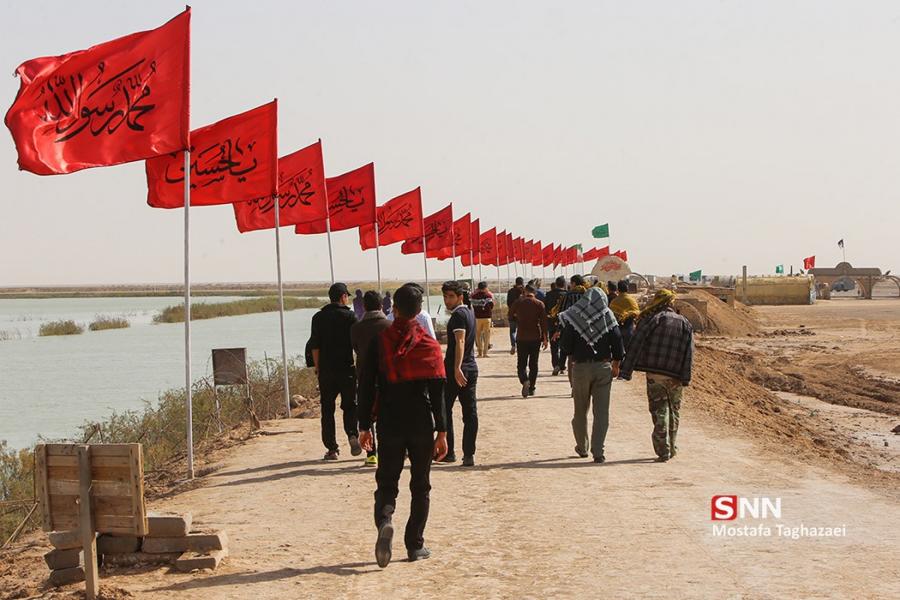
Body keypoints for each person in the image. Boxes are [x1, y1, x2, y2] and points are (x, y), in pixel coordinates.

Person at [357, 284, 448, 568]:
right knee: (420, 485)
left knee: (387, 482)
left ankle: (385, 520)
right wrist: (442, 431)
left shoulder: (380, 341)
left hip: (389, 421)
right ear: (419, 312)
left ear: (393, 309)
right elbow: (438, 393)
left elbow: (366, 385)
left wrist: (363, 426)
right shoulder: (429, 346)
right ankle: (414, 545)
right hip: (421, 422)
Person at [620, 289, 694, 463]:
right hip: (675, 376)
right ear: (671, 303)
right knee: (674, 412)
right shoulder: (685, 323)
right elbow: (689, 353)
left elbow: (636, 344)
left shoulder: (651, 320)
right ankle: (672, 446)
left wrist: (626, 370)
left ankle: (663, 449)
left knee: (659, 410)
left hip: (654, 375)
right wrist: (686, 377)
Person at [558, 288, 624, 463]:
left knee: (580, 410)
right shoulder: (607, 315)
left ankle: (582, 447)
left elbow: (565, 347)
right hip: (603, 368)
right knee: (601, 412)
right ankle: (598, 452)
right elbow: (618, 342)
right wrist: (616, 365)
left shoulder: (573, 317)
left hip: (580, 369)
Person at [309, 282, 361, 461]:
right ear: (343, 297)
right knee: (350, 405)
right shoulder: (351, 317)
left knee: (327, 409)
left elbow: (314, 346)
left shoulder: (318, 317)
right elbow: (357, 345)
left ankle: (332, 448)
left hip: (327, 371)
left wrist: (318, 367)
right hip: (347, 369)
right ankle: (352, 434)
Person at [441, 280, 479, 466]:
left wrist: (456, 368)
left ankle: (450, 452)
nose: (447, 300)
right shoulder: (469, 312)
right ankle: (468, 453)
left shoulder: (458, 316)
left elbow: (460, 341)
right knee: (470, 413)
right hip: (471, 368)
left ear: (460, 297)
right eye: (445, 297)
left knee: (445, 409)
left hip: (457, 369)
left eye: (451, 297)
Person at [350, 291, 391, 466]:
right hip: (388, 376)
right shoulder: (389, 326)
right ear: (382, 305)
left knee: (366, 413)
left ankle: (371, 454)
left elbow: (356, 349)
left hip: (364, 375)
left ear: (364, 306)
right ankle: (389, 450)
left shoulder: (356, 328)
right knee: (388, 413)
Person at [508, 284, 549, 397]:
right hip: (535, 337)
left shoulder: (518, 302)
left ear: (524, 292)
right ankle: (532, 388)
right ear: (534, 293)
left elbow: (510, 315)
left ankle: (524, 380)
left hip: (521, 337)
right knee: (533, 364)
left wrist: (518, 318)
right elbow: (544, 322)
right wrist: (545, 338)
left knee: (521, 364)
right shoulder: (539, 304)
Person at [543, 277, 567, 376]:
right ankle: (561, 365)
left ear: (556, 284)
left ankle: (556, 364)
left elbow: (545, 310)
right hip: (564, 324)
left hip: (552, 323)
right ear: (564, 284)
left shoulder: (548, 295)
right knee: (564, 346)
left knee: (554, 346)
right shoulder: (566, 295)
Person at [609, 280, 640, 350]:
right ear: (627, 288)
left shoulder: (614, 301)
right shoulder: (632, 300)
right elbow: (637, 313)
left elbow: (611, 315)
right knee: (629, 349)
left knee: (619, 349)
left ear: (618, 289)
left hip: (617, 329)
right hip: (629, 328)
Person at [470, 281, 495, 358]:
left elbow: (472, 305)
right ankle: (485, 353)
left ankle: (479, 352)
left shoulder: (474, 296)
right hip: (487, 317)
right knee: (487, 336)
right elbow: (491, 305)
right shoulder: (488, 296)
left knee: (478, 335)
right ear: (485, 287)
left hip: (477, 317)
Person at [506, 277, 525, 354]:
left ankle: (513, 345)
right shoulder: (524, 291)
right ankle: (521, 345)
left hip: (512, 314)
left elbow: (508, 302)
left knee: (512, 331)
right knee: (522, 330)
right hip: (522, 315)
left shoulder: (510, 291)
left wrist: (513, 311)